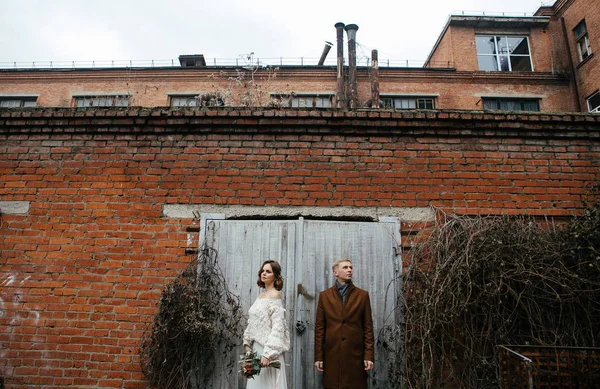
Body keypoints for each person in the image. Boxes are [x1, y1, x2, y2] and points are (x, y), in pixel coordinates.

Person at [314, 258, 374, 389]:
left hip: (355, 354)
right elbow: (320, 328)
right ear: (336, 272)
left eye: (351, 267)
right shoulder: (325, 296)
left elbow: (368, 327)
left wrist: (368, 355)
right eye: (345, 267)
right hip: (332, 354)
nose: (350, 270)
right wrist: (319, 356)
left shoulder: (362, 295)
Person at [243, 260, 290, 389]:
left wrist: (268, 354)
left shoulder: (275, 296)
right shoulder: (261, 296)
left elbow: (278, 328)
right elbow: (252, 322)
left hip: (268, 352)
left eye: (268, 271)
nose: (264, 273)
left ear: (275, 276)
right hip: (256, 350)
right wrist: (247, 346)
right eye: (262, 271)